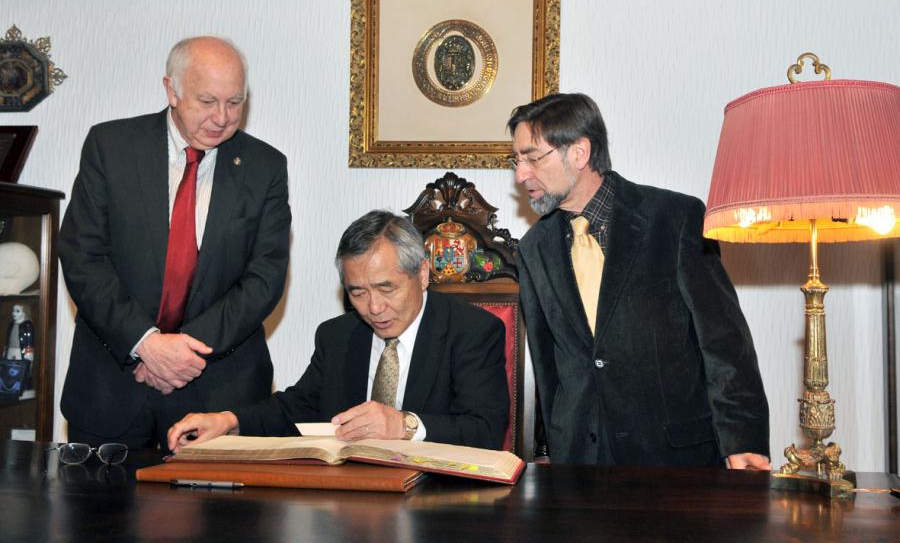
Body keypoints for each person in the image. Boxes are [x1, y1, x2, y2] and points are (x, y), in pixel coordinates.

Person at [508, 93, 770, 468]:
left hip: (675, 462)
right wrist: (553, 448)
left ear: (579, 153)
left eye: (532, 158)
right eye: (516, 161)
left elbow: (725, 344)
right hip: (581, 466)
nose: (521, 175)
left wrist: (743, 439)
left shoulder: (676, 219)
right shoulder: (533, 248)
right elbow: (549, 366)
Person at [58, 36, 291, 450]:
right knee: (94, 514)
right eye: (207, 101)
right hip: (111, 390)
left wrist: (182, 353)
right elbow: (83, 256)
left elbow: (264, 277)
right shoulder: (111, 148)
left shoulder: (265, 167)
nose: (222, 117)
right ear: (171, 90)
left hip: (219, 394)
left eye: (235, 102)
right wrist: (145, 343)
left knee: (225, 518)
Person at [168, 210, 508, 452]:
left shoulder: (472, 331)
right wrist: (228, 421)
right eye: (357, 292)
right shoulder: (338, 336)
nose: (373, 308)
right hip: (351, 501)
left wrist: (403, 426)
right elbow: (297, 407)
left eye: (386, 288)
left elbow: (485, 429)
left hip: (439, 507)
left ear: (421, 275)